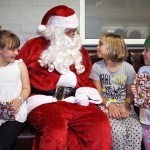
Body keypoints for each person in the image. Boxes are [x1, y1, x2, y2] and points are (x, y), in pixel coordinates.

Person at [16, 5, 111, 150]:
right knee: (55, 129)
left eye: (74, 32)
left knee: (100, 123)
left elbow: (85, 79)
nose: (73, 35)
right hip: (43, 102)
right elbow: (16, 72)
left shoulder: (80, 52)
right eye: (68, 32)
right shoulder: (33, 46)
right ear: (56, 31)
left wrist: (84, 93)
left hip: (74, 101)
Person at [90, 33, 142, 150]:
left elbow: (130, 94)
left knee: (136, 130)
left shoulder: (128, 68)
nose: (97, 47)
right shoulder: (97, 67)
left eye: (101, 44)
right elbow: (97, 93)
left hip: (125, 106)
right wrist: (110, 105)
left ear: (112, 48)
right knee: (117, 132)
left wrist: (126, 105)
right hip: (105, 106)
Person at [0, 29, 30, 150]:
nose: (17, 52)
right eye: (12, 49)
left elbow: (26, 88)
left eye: (17, 49)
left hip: (15, 113)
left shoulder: (19, 65)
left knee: (3, 145)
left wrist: (19, 100)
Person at [131, 36, 150, 150]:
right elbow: (137, 91)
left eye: (146, 50)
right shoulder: (143, 70)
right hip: (145, 121)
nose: (142, 53)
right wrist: (135, 91)